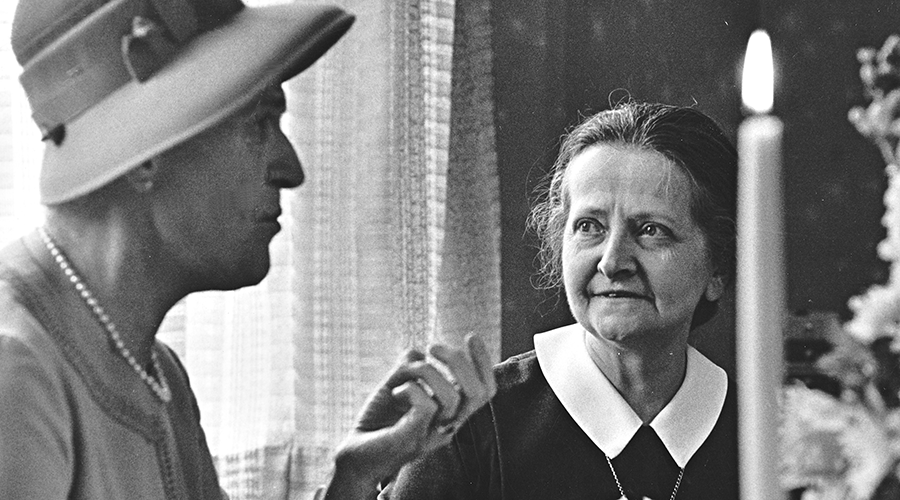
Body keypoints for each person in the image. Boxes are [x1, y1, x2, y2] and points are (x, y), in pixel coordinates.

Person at [0, 0, 496, 499]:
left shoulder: (157, 374)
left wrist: (353, 477)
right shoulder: (16, 370)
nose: (290, 169)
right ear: (144, 154)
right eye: (260, 124)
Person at [384, 101, 739, 499]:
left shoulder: (762, 431)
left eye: (651, 230)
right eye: (589, 226)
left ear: (718, 269)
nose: (612, 262)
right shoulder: (472, 427)